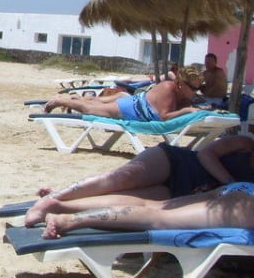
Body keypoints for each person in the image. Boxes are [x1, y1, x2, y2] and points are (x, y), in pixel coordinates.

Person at [23, 133, 254, 230]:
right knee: (119, 179)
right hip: (179, 164)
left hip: (186, 192)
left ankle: (58, 206)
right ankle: (55, 197)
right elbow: (206, 154)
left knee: (133, 201)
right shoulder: (244, 142)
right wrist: (229, 181)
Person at [41, 182, 254, 238]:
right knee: (160, 218)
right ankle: (69, 220)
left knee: (155, 206)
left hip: (240, 191)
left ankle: (62, 205)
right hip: (245, 207)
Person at [42, 65, 203, 121]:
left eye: (198, 88)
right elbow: (164, 116)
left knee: (95, 104)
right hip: (131, 109)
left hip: (133, 103)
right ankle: (59, 101)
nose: (196, 91)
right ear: (181, 84)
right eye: (193, 87)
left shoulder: (182, 95)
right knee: (91, 110)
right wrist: (187, 110)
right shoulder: (168, 88)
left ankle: (75, 98)